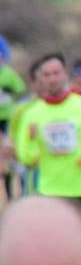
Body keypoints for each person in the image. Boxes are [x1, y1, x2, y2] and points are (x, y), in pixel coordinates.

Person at [11, 52, 81, 227]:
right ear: (40, 79)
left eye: (56, 73)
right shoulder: (31, 114)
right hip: (51, 189)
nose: (52, 79)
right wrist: (33, 140)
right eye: (47, 75)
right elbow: (26, 156)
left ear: (65, 74)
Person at [0, 35, 27, 202]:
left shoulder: (9, 74)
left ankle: (10, 193)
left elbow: (21, 91)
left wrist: (8, 91)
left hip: (7, 117)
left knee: (8, 153)